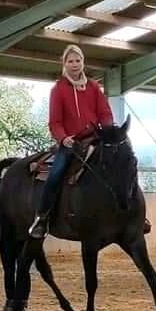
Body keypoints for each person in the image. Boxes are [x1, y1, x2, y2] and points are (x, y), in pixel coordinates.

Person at [28, 44, 114, 239]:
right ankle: (42, 218)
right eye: (70, 61)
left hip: (95, 139)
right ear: (64, 64)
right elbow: (55, 122)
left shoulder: (93, 87)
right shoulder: (58, 89)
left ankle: (131, 215)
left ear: (83, 62)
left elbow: (105, 113)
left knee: (120, 162)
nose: (74, 64)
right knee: (56, 174)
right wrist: (63, 138)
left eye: (78, 60)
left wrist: (106, 129)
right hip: (71, 144)